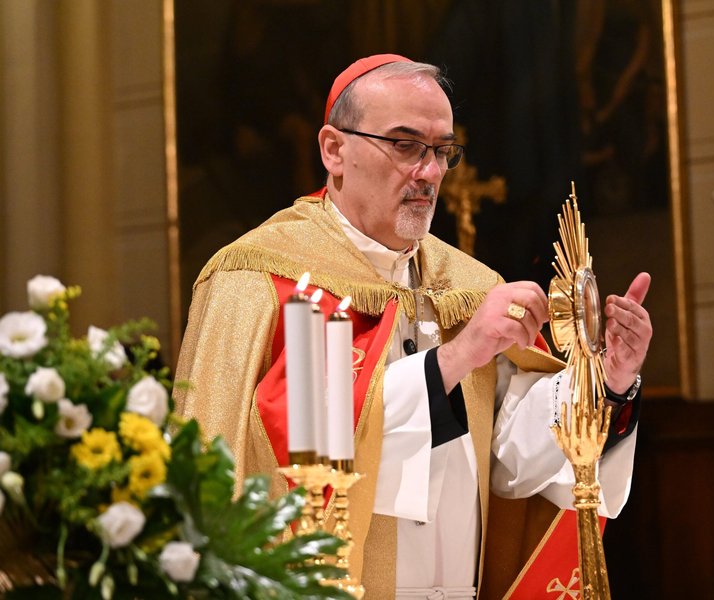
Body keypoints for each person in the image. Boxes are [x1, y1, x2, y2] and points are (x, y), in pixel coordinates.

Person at [175, 54, 652, 599]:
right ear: (334, 149)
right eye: (405, 145)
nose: (429, 172)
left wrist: (608, 384)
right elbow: (276, 457)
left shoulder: (467, 284)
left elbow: (516, 462)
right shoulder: (258, 276)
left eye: (442, 151)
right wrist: (454, 359)